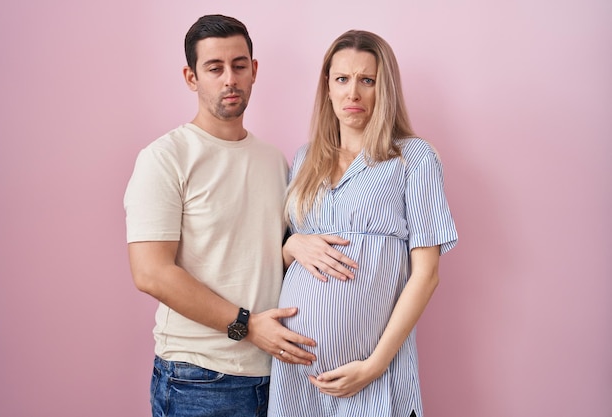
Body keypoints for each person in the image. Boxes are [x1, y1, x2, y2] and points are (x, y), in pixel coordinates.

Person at [123, 14, 317, 417]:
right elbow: (151, 273)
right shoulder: (165, 158)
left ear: (254, 71)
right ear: (191, 77)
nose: (230, 78)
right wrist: (247, 325)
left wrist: (292, 244)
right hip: (198, 377)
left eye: (239, 65)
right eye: (215, 68)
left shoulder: (274, 160)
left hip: (275, 376)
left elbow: (261, 256)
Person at [267, 30, 458, 417]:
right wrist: (290, 246)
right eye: (342, 79)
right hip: (294, 375)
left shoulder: (413, 158)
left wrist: (375, 366)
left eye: (366, 80)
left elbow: (427, 275)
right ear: (328, 86)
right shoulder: (304, 159)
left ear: (383, 88)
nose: (353, 93)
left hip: (372, 374)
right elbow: (284, 250)